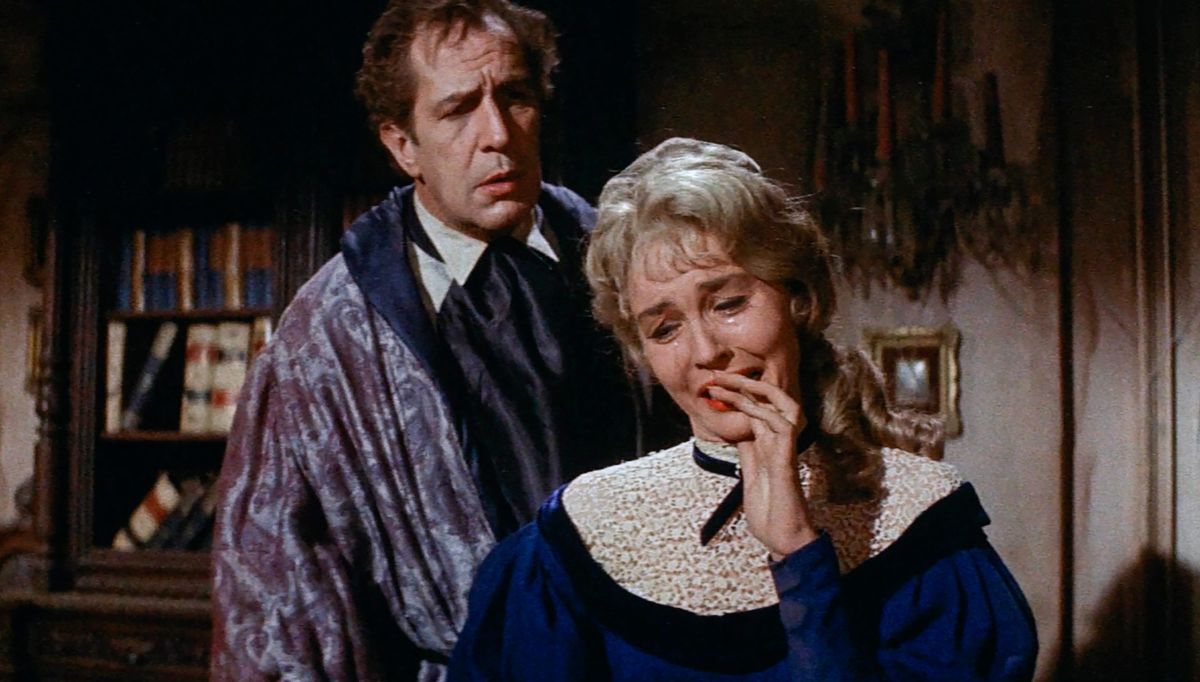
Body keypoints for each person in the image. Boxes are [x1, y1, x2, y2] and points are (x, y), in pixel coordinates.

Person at [450, 137, 1039, 681]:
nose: (706, 352)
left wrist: (797, 550)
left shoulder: (923, 520)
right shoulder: (579, 532)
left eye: (728, 303)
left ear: (798, 299)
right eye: (665, 328)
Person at [210, 2, 649, 679]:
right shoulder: (326, 337)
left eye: (515, 97)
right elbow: (278, 603)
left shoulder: (635, 267)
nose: (497, 134)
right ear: (402, 145)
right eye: (458, 110)